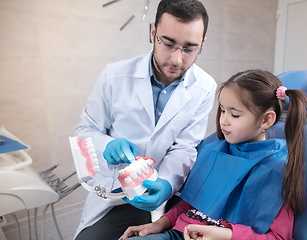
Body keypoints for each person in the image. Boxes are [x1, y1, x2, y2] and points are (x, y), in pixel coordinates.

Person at [73, 0, 216, 239]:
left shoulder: (205, 87)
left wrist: (168, 184)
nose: (177, 60)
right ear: (153, 33)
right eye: (168, 43)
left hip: (166, 194)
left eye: (189, 48)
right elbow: (85, 129)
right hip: (117, 193)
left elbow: (185, 146)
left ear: (202, 44)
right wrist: (107, 144)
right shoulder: (115, 75)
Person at [119, 69, 307, 240]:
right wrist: (157, 225)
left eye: (235, 115)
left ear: (266, 120)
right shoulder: (214, 152)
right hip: (178, 234)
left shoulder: (278, 171)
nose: (223, 121)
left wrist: (226, 235)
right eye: (222, 110)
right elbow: (189, 205)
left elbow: (277, 237)